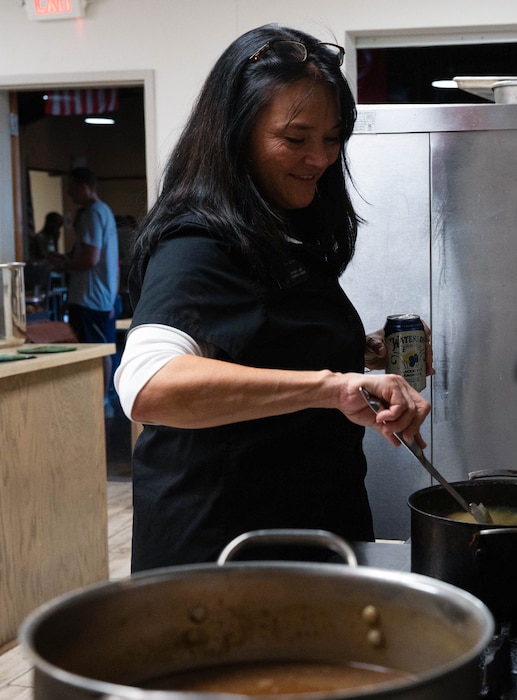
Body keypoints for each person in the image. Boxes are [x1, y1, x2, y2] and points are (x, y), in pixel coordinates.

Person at [113, 24, 431, 572]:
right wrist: (334, 386)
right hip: (223, 555)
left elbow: (255, 339)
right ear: (236, 134)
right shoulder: (195, 242)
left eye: (332, 138)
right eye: (296, 138)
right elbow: (147, 385)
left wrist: (364, 352)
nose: (320, 158)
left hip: (301, 537)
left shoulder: (282, 227)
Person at [49, 168, 119, 395]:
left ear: (83, 186)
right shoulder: (105, 211)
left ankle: (100, 401)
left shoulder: (92, 214)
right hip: (99, 297)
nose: (69, 194)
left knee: (95, 351)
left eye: (71, 188)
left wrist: (64, 266)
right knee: (101, 348)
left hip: (90, 299)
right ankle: (102, 400)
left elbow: (90, 259)